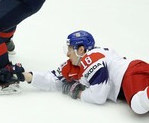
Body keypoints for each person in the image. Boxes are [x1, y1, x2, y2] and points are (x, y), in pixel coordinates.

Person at [14, 30, 149, 115]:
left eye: (70, 49)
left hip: (131, 74)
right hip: (134, 75)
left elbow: (98, 96)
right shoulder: (77, 65)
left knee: (138, 105)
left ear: (81, 50)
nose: (67, 54)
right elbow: (54, 80)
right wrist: (25, 76)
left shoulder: (92, 58)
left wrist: (78, 93)